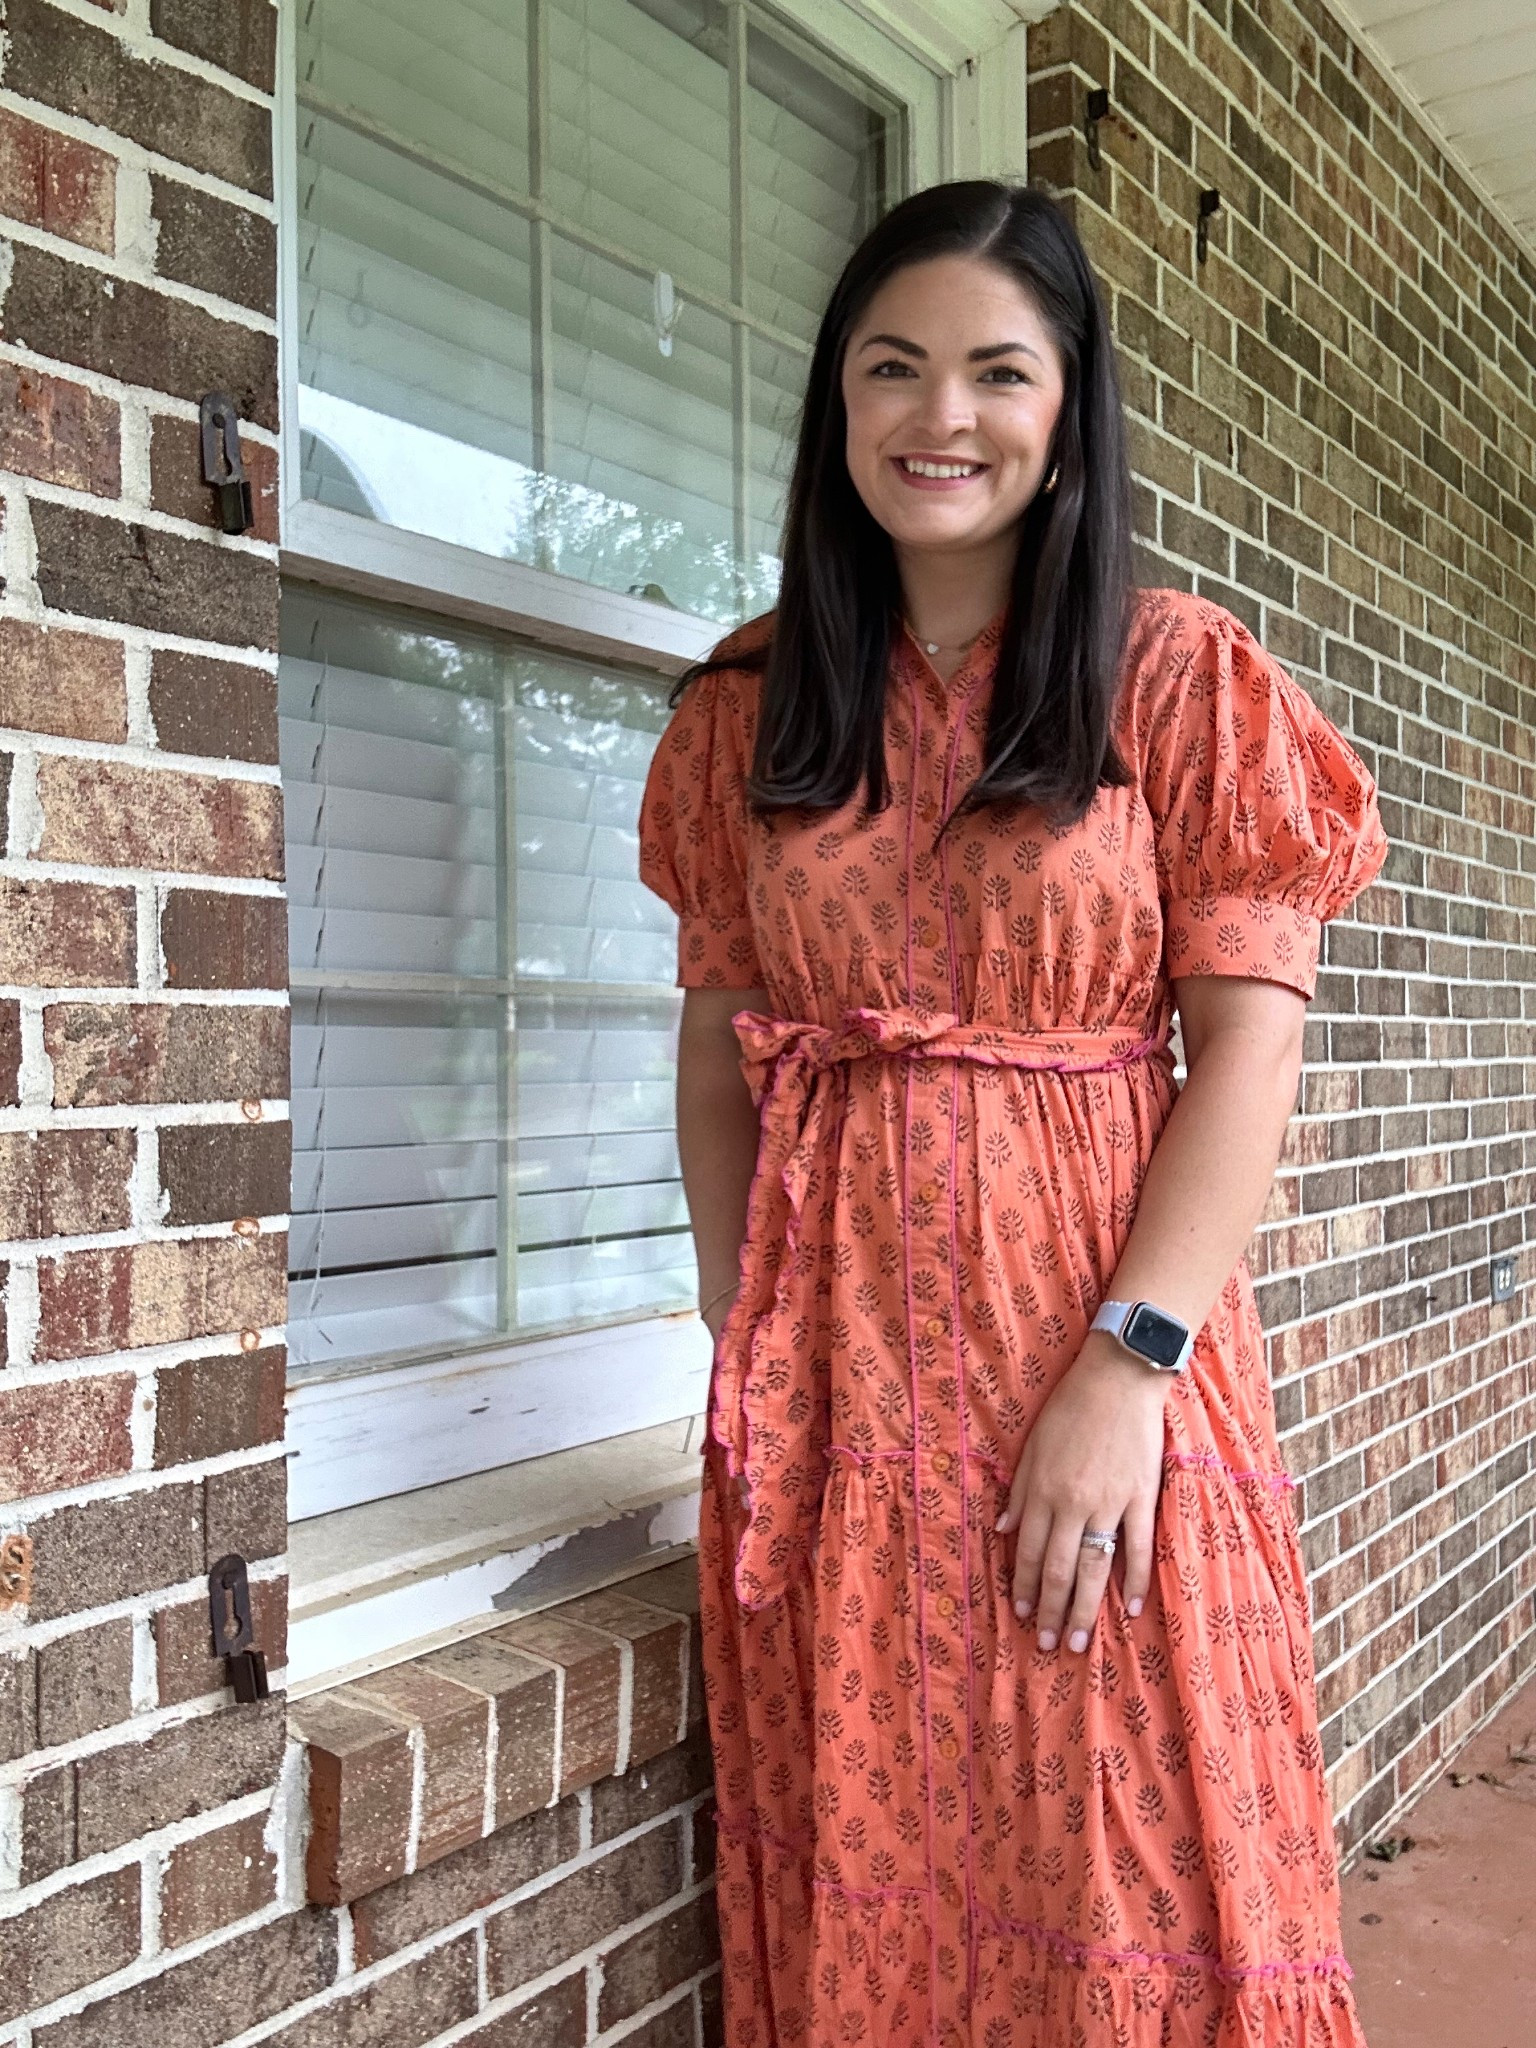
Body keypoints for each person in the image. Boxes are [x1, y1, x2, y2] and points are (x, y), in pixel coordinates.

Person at [637, 180, 1386, 2048]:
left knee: (1137, 1849)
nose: (939, 417)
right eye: (892, 369)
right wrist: (751, 1352)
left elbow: (1249, 1054)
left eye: (996, 372)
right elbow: (722, 1069)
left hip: (1099, 1363)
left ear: (1066, 416)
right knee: (884, 1864)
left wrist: (1126, 1369)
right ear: (836, 406)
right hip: (846, 1403)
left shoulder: (1174, 681)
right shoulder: (743, 711)